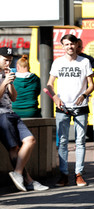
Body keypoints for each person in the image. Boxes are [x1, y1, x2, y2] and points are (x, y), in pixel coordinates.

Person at [46, 34, 94, 187]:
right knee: (62, 142)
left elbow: (91, 85)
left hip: (80, 106)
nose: (69, 47)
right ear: (62, 46)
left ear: (76, 45)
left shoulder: (85, 61)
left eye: (72, 44)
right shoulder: (58, 62)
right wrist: (55, 97)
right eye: (66, 44)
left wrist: (84, 94)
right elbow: (49, 84)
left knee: (80, 141)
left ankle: (78, 174)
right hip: (63, 106)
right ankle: (64, 174)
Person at [0, 47, 48, 192]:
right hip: (1, 115)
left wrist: (10, 83)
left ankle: (19, 173)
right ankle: (29, 181)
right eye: (5, 60)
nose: (8, 63)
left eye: (10, 60)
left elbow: (13, 98)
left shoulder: (7, 74)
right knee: (14, 148)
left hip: (11, 112)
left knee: (30, 140)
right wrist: (4, 82)